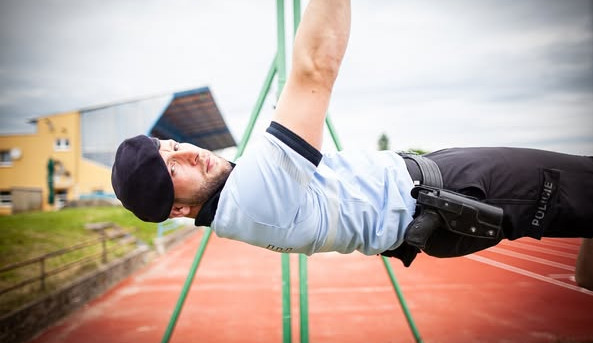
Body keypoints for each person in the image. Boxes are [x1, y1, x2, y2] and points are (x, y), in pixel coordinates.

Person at [111, 0, 593, 290]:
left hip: (441, 198)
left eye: (171, 146)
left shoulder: (241, 206)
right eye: (173, 169)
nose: (185, 153)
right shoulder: (251, 196)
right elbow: (315, 68)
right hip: (456, 194)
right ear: (178, 210)